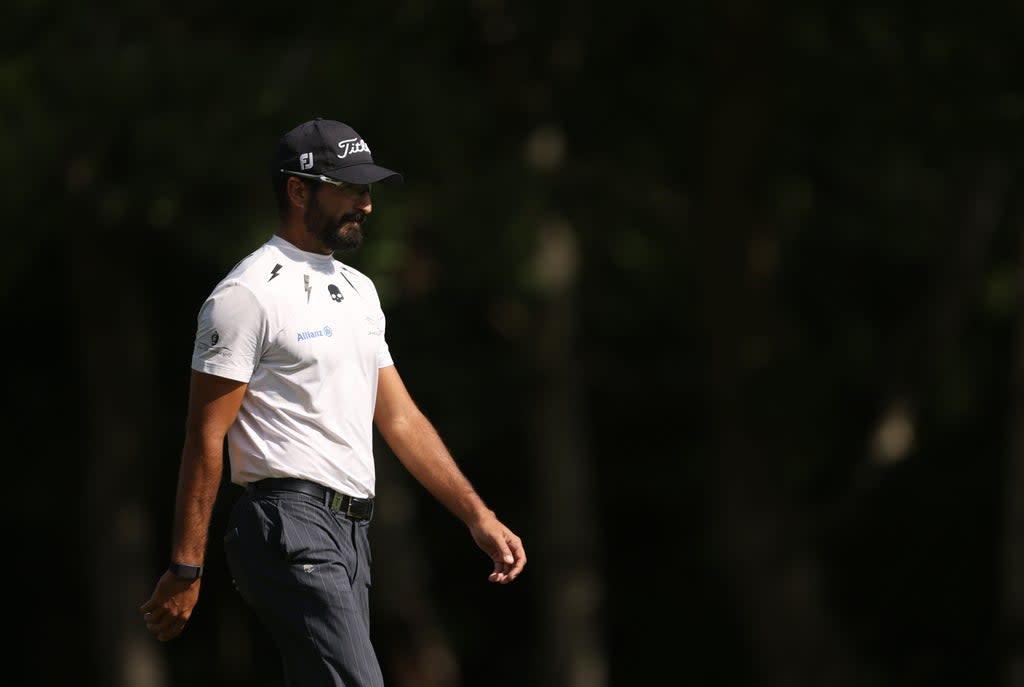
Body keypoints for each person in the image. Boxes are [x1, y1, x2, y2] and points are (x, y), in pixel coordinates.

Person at [139, 117, 526, 686]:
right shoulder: (245, 296)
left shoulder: (358, 290)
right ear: (298, 190)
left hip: (351, 534)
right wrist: (186, 565)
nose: (366, 205)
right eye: (349, 189)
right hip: (286, 523)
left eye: (367, 190)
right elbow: (205, 435)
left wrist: (477, 516)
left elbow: (398, 417)